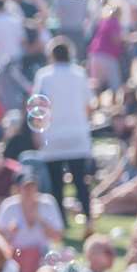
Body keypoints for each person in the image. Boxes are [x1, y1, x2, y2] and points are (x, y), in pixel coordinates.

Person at [30, 39, 96, 233]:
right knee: (80, 181)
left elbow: (38, 107)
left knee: (56, 183)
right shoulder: (79, 73)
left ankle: (61, 222)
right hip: (77, 134)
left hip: (53, 136)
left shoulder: (44, 75)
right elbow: (89, 104)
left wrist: (37, 132)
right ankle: (88, 219)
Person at [0, 169, 68, 272]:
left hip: (42, 254)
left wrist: (41, 220)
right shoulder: (9, 206)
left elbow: (58, 237)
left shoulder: (47, 203)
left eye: (33, 186)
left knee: (67, 256)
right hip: (15, 255)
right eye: (26, 187)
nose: (30, 191)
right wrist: (10, 233)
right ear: (17, 189)